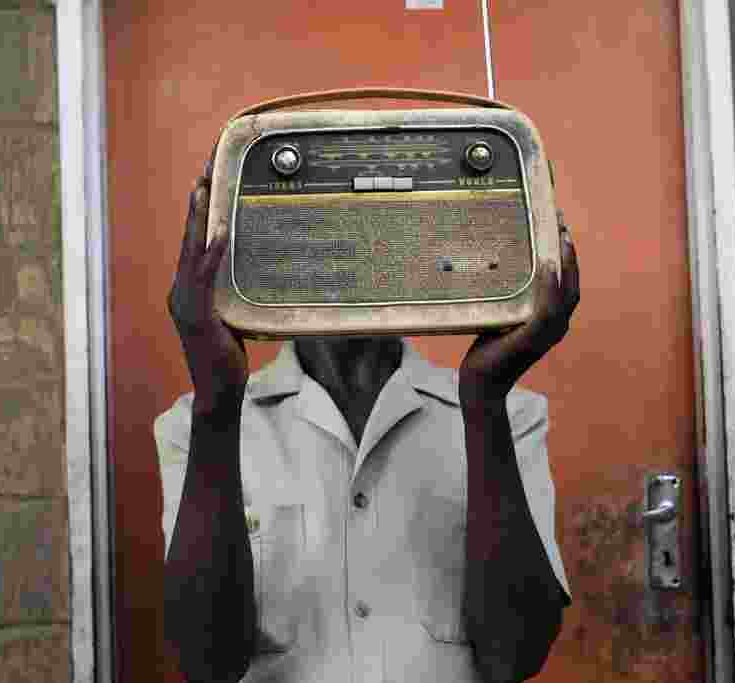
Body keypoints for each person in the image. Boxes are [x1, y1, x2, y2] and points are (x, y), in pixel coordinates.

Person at [158, 154, 580, 683]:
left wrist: (485, 401)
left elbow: (514, 657)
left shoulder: (508, 415)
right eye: (316, 225)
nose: (344, 252)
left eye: (371, 222)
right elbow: (206, 663)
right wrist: (217, 400)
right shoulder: (197, 425)